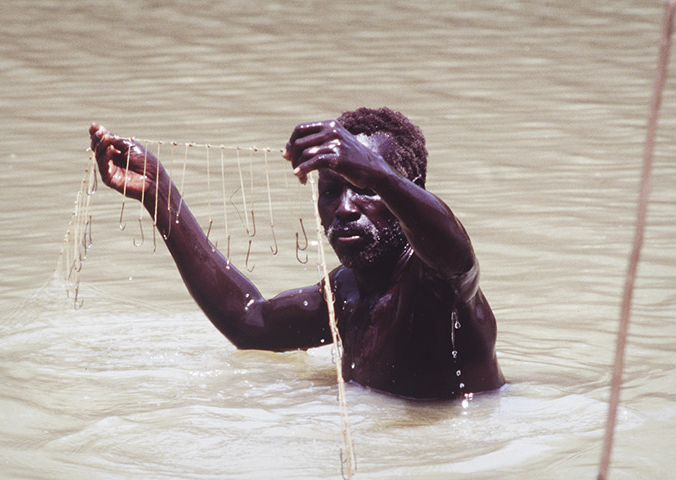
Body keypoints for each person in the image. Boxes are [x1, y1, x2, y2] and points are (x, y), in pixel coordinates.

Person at [89, 107, 505, 399]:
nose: (343, 209)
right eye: (330, 191)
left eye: (363, 189)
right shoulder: (346, 291)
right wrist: (158, 194)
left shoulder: (433, 284)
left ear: (409, 189)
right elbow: (252, 323)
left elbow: (458, 259)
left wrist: (375, 171)